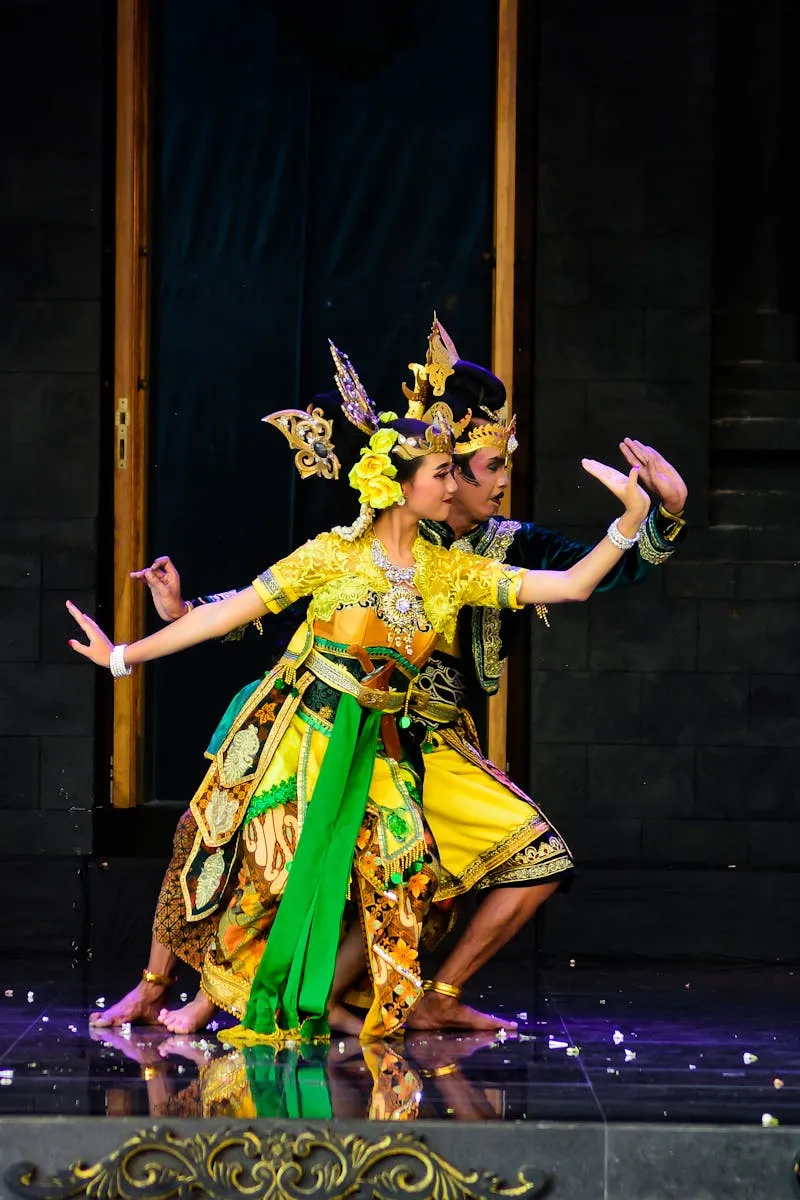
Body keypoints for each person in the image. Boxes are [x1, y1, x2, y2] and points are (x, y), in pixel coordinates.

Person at [71, 339, 651, 1045]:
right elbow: (237, 611)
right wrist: (124, 656)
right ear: (400, 486)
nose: (456, 484)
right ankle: (202, 994)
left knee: (403, 875)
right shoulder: (332, 555)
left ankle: (333, 1004)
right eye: (444, 472)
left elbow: (574, 584)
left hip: (380, 748)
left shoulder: (449, 572)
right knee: (245, 862)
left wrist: (628, 522)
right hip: (300, 738)